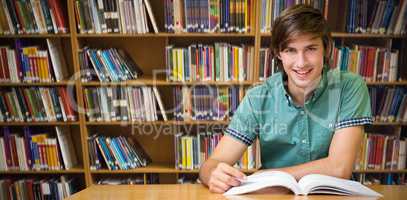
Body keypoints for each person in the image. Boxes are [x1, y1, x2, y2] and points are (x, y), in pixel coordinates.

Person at [199, 4, 373, 194]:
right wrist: (214, 175)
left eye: (311, 49)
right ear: (278, 53)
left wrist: (264, 176)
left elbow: (339, 168)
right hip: (274, 197)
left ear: (327, 48)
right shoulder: (259, 98)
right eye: (291, 50)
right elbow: (211, 165)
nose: (301, 62)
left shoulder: (349, 87)